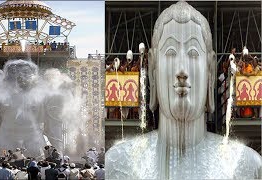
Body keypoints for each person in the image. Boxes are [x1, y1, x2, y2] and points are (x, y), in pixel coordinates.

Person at [105, 2, 262, 179]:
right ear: (152, 72)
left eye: (193, 53)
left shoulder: (246, 165)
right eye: (170, 52)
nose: (181, 71)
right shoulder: (119, 162)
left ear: (210, 72)